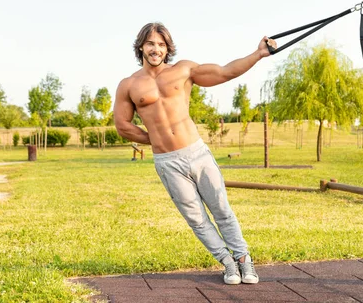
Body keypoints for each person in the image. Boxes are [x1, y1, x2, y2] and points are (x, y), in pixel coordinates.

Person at [113, 22, 276, 285]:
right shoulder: (128, 84)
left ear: (168, 49)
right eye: (151, 44)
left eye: (162, 45)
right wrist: (153, 139)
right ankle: (228, 263)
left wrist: (258, 54)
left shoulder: (184, 70)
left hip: (196, 153)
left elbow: (224, 72)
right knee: (196, 218)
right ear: (141, 46)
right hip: (167, 161)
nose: (156, 49)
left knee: (221, 208)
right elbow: (122, 125)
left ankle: (244, 260)